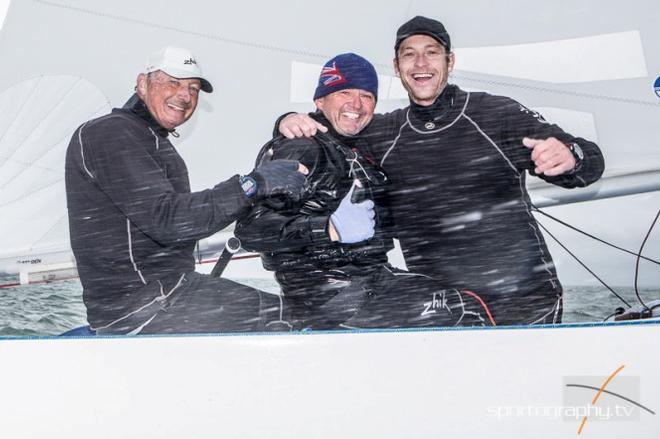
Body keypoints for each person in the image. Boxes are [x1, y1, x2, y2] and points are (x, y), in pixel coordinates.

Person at [277, 17, 605, 325]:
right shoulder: (384, 132)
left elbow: (586, 163)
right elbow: (335, 120)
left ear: (450, 61)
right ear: (397, 67)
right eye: (410, 55)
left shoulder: (494, 114)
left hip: (525, 302)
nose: (421, 64)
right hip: (442, 309)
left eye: (431, 53)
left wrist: (572, 157)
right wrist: (287, 121)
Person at [235, 53, 491, 330]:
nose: (356, 104)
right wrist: (329, 228)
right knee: (465, 307)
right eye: (344, 92)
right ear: (320, 100)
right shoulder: (303, 146)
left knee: (465, 295)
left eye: (367, 96)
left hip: (367, 284)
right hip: (332, 297)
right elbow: (251, 228)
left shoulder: (354, 148)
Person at [65, 46, 309, 335]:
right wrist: (253, 184)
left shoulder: (149, 140)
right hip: (143, 307)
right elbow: (169, 221)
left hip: (164, 295)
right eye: (173, 82)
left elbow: (178, 218)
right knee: (295, 320)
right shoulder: (112, 133)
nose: (185, 95)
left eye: (193, 88)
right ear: (142, 83)